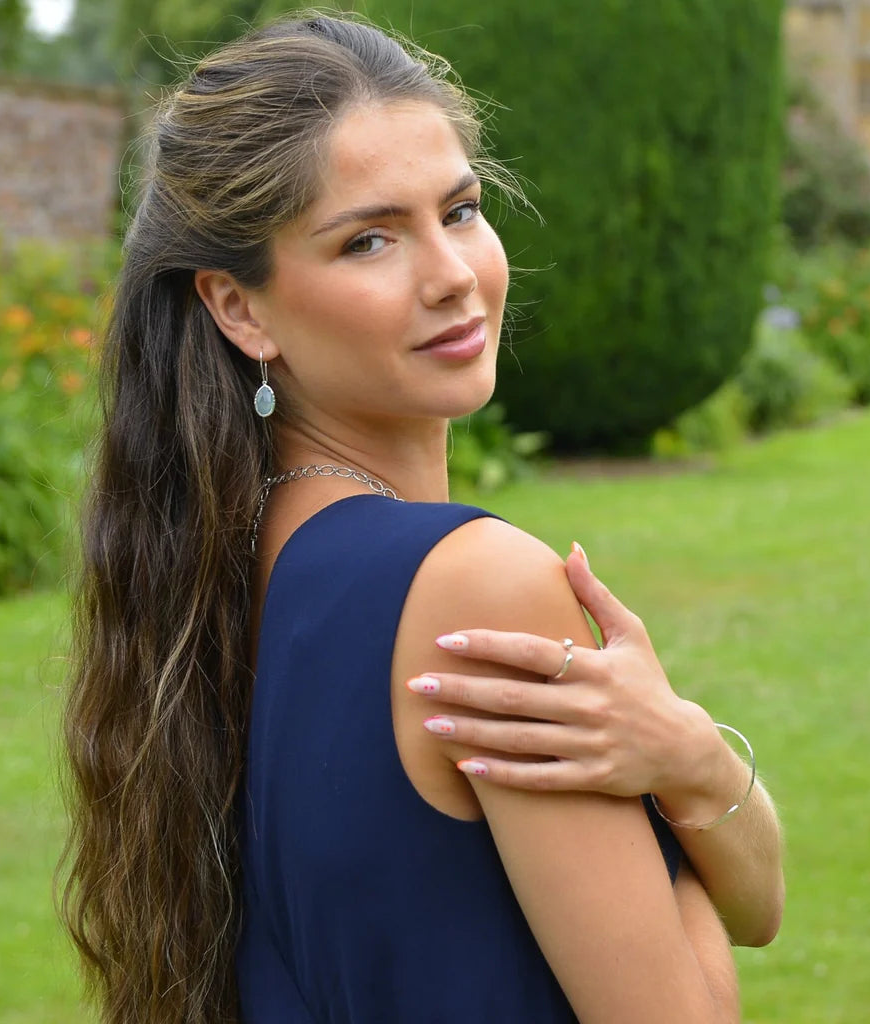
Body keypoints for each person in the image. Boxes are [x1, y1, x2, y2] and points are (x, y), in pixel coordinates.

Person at [60, 12, 783, 1024]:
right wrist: (674, 820)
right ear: (240, 308)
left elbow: (765, 904)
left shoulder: (218, 571)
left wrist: (688, 753)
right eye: (368, 239)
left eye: (459, 210)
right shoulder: (475, 588)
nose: (451, 274)